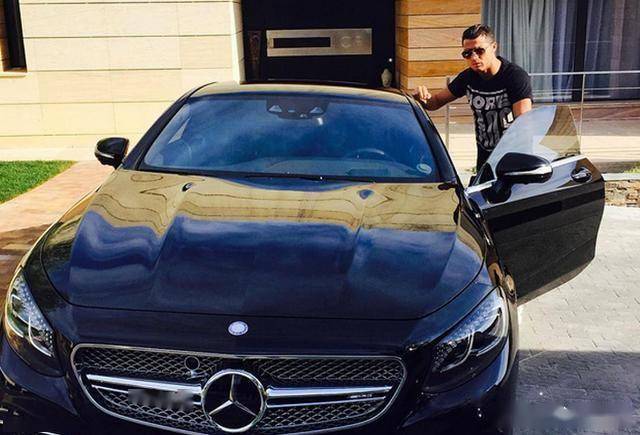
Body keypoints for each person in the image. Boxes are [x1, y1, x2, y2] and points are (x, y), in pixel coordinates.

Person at [413, 24, 533, 171]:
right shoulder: (468, 78)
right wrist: (422, 97)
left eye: (479, 51)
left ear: (494, 47)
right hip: (485, 156)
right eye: (467, 53)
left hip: (512, 156)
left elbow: (523, 123)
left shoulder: (515, 77)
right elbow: (436, 102)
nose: (474, 57)